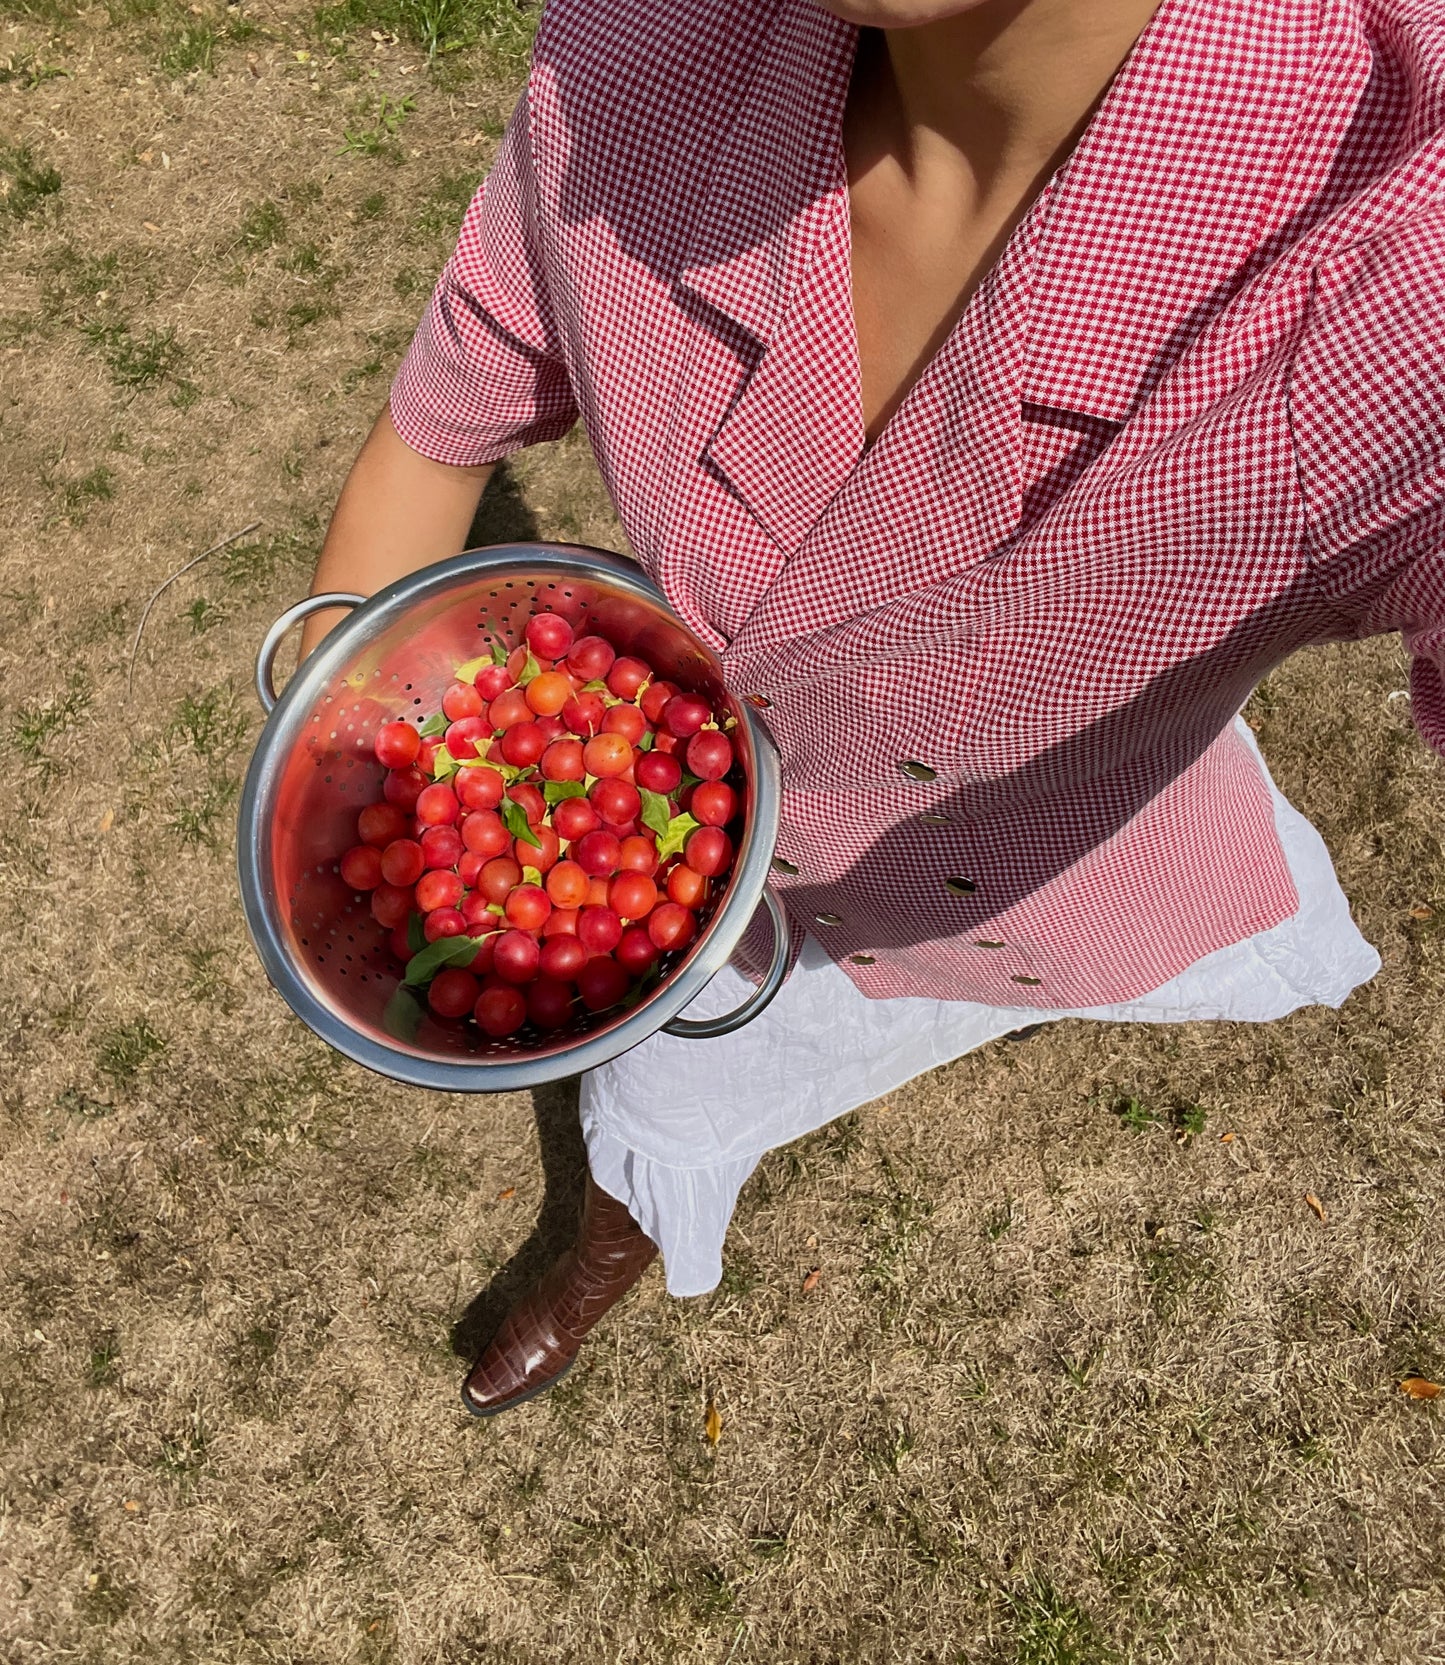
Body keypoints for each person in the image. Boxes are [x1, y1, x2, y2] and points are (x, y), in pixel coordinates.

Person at [301, 0, 1445, 1416]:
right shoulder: (639, 56)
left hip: (1034, 877)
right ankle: (618, 1232)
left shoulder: (1392, 272)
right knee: (667, 1094)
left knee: (1022, 956)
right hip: (709, 911)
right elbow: (436, 424)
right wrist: (382, 809)